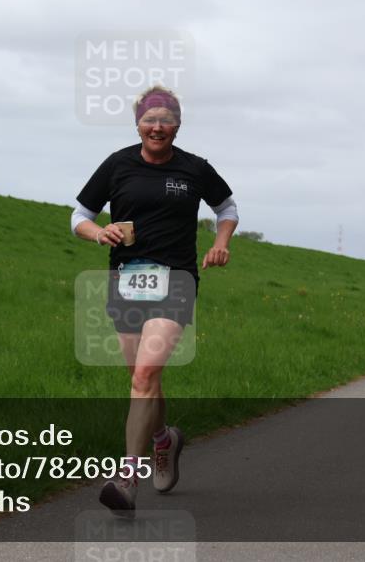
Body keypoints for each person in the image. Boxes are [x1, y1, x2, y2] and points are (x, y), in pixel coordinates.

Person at [70, 85, 238, 517]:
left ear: (178, 125)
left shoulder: (195, 169)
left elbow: (227, 207)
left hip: (176, 280)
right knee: (143, 381)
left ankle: (127, 477)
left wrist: (222, 242)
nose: (157, 126)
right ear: (138, 124)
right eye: (149, 119)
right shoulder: (117, 164)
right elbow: (79, 217)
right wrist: (98, 233)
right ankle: (163, 439)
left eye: (166, 119)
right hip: (126, 280)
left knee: (145, 374)